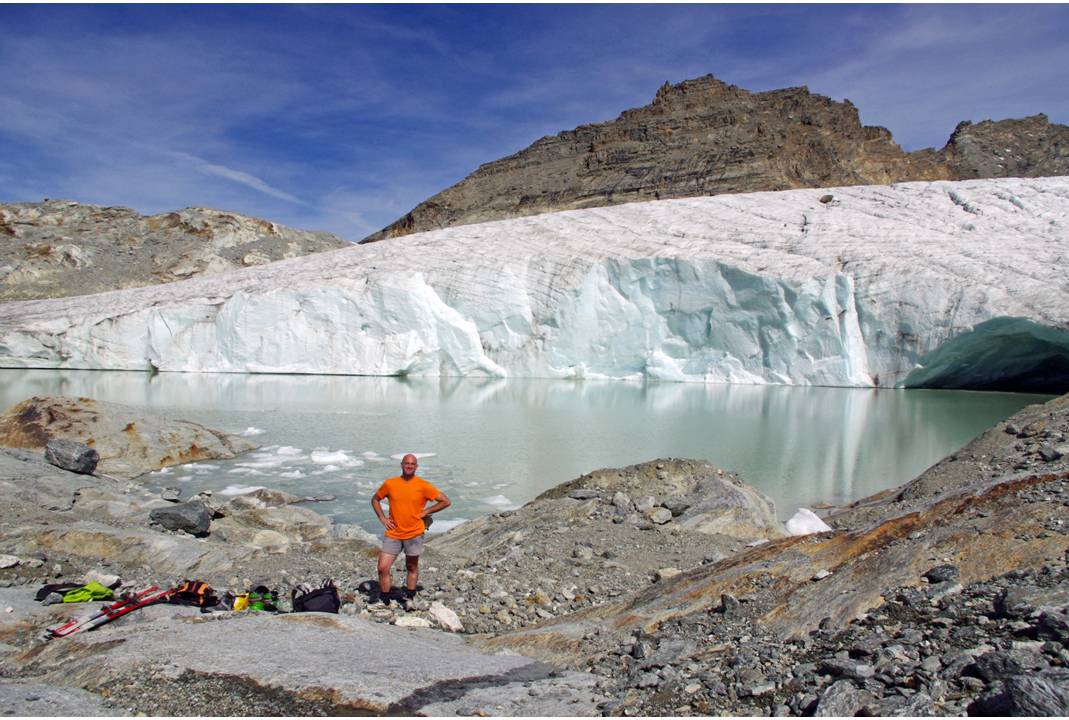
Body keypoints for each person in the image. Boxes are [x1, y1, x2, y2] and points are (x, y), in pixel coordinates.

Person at [371, 453, 450, 609]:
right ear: (401, 464)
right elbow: (375, 499)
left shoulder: (423, 485)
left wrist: (426, 511)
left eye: (412, 464)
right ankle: (385, 599)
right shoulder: (390, 484)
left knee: (412, 567)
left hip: (414, 533)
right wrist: (382, 517)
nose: (409, 466)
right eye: (406, 463)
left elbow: (445, 501)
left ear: (416, 466)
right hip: (393, 533)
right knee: (382, 567)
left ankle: (409, 597)